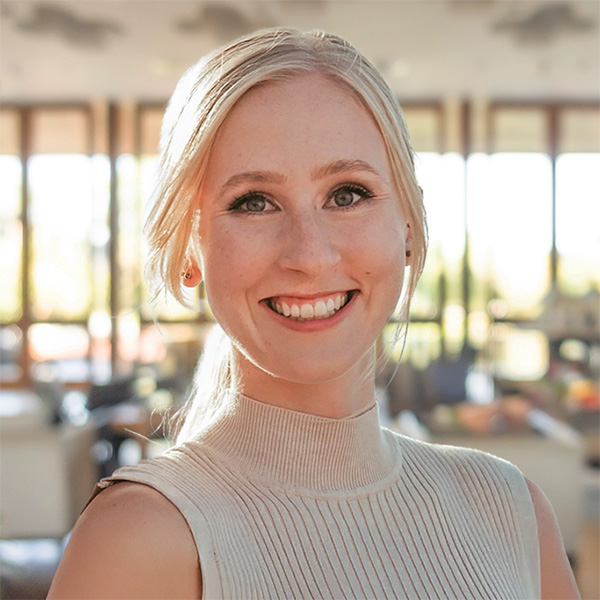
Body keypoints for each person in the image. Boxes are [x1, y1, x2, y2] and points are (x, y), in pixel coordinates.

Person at [48, 28, 579, 600]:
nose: (309, 254)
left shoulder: (513, 512)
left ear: (407, 226)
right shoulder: (138, 538)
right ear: (189, 251)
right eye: (253, 202)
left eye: (347, 194)